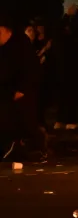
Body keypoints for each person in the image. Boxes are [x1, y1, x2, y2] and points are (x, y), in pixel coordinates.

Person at [0, 16, 47, 162]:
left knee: (24, 122)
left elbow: (30, 70)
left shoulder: (20, 44)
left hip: (21, 91)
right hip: (5, 90)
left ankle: (34, 145)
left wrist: (21, 89)